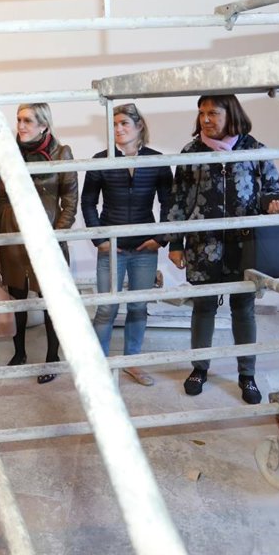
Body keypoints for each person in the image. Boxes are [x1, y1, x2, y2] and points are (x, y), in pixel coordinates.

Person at [167, 94, 279, 404]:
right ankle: (199, 369)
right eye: (202, 113)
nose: (206, 119)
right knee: (203, 308)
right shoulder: (191, 152)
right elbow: (178, 199)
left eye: (213, 113)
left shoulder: (255, 149)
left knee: (243, 309)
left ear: (231, 113)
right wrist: (176, 243)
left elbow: (273, 190)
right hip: (202, 244)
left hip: (244, 245)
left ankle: (247, 375)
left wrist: (273, 206)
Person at [80, 103, 173, 386]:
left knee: (138, 307)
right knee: (106, 308)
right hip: (112, 248)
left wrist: (160, 239)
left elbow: (169, 202)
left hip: (145, 248)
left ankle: (132, 362)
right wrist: (100, 239)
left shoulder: (156, 160)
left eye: (124, 123)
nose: (118, 129)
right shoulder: (101, 160)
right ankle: (99, 366)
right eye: (114, 124)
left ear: (139, 126)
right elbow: (88, 202)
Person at [0, 102, 78, 384]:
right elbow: (1, 197)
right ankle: (19, 353)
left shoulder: (62, 153)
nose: (20, 126)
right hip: (14, 235)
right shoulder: (10, 152)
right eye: (18, 120)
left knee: (51, 300)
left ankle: (52, 357)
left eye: (27, 120)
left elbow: (70, 202)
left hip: (46, 237)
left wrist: (56, 237)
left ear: (43, 125)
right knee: (17, 296)